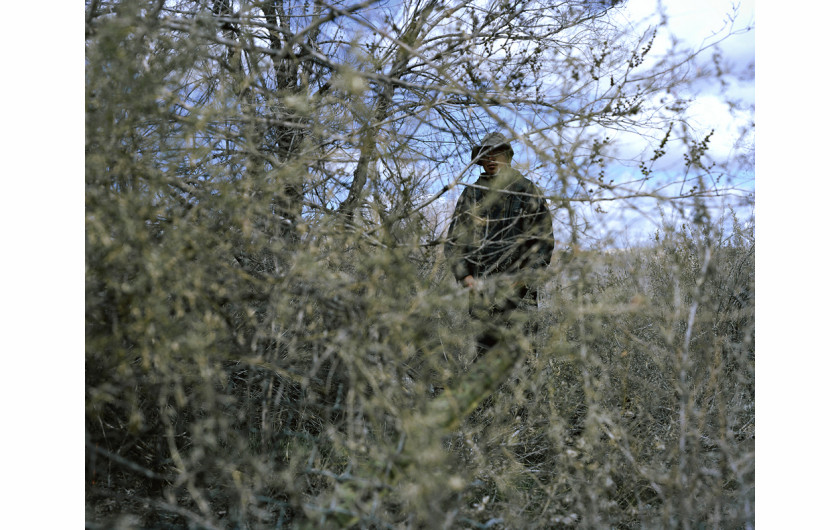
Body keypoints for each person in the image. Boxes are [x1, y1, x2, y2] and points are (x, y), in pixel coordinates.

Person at [445, 133, 554, 357]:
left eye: (497, 154)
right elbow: (454, 242)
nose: (491, 159)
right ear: (481, 160)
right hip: (481, 294)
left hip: (520, 295)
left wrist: (523, 279)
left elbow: (543, 243)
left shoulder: (526, 190)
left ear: (507, 157)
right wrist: (466, 278)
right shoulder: (471, 193)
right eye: (486, 155)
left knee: (524, 363)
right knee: (484, 362)